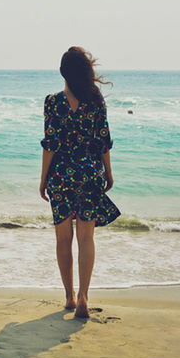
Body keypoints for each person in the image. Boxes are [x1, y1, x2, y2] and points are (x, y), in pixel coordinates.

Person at [39, 46, 121, 318]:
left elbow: (50, 144)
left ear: (63, 72)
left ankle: (69, 298)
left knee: (63, 239)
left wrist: (43, 180)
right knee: (86, 237)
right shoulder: (96, 102)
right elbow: (103, 142)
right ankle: (85, 296)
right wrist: (108, 173)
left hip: (61, 175)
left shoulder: (53, 102)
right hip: (89, 174)